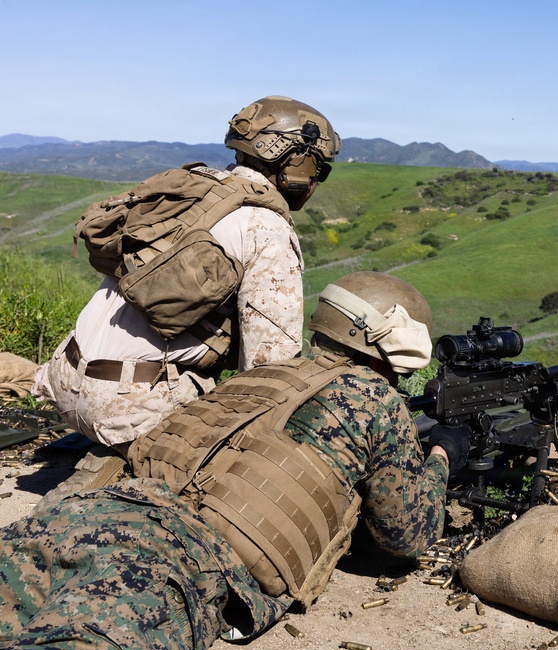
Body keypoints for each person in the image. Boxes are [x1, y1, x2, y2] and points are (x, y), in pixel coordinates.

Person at [0, 272, 470, 650]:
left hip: (82, 514)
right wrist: (442, 454)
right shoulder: (375, 397)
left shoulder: (264, 375)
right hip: (174, 558)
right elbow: (406, 533)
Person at [31, 95, 340, 495]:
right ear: (297, 164)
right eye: (320, 169)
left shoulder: (194, 187)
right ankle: (124, 464)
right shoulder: (267, 228)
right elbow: (270, 371)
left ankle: (117, 440)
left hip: (64, 378)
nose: (317, 181)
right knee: (254, 437)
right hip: (123, 407)